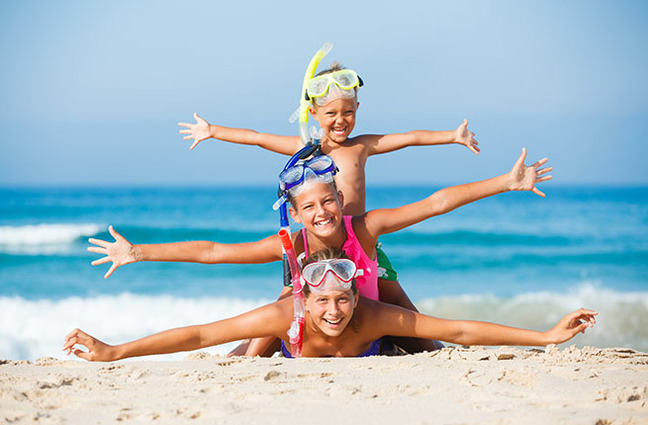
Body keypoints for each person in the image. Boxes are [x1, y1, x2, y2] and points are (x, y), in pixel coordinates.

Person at [88, 149, 551, 353]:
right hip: (315, 316)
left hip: (363, 310)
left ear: (339, 199)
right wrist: (139, 252)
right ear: (294, 213)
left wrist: (505, 182)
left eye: (328, 201)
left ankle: (422, 350)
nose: (322, 212)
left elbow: (434, 204)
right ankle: (240, 363)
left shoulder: (362, 230)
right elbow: (213, 251)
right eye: (308, 206)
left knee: (417, 325)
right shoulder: (290, 245)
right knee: (273, 313)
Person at [177, 63, 479, 329]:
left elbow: (409, 138)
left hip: (359, 241)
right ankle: (248, 352)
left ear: (357, 108)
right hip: (318, 243)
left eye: (348, 112)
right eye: (331, 113)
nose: (340, 120)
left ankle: (430, 344)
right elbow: (257, 138)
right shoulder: (305, 148)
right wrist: (213, 130)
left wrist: (452, 136)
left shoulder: (361, 145)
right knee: (287, 300)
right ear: (314, 113)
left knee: (395, 296)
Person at [66, 248, 597, 361]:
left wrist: (545, 336)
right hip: (284, 348)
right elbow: (202, 334)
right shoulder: (287, 316)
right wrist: (114, 351)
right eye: (323, 301)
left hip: (380, 352)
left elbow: (458, 330)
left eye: (343, 299)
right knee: (237, 352)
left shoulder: (372, 316)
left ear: (355, 295)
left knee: (429, 344)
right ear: (305, 296)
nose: (335, 312)